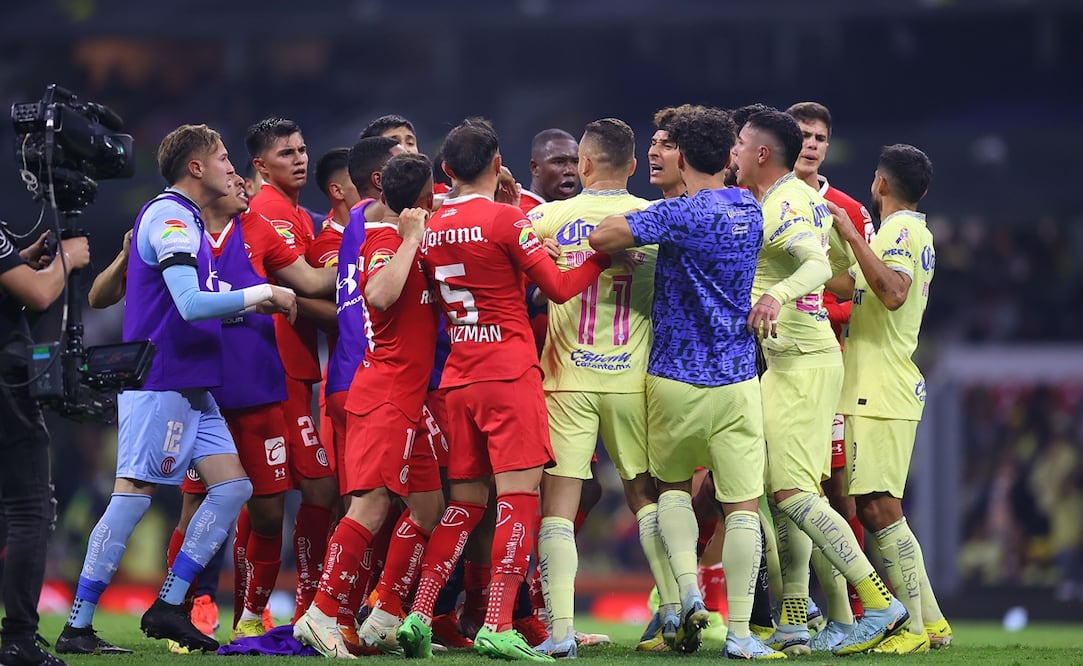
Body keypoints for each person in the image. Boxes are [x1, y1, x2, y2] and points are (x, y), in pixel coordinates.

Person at [56, 123, 296, 654]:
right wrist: (264, 294)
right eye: (223, 157)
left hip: (194, 385)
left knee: (233, 487)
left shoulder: (186, 219)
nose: (232, 167)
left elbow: (189, 295)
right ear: (196, 167)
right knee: (133, 497)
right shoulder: (170, 217)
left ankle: (169, 603)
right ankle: (77, 624)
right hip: (161, 382)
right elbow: (188, 305)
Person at [393, 117, 612, 662]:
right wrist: (604, 255)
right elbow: (560, 288)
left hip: (458, 380)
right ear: (497, 164)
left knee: (462, 505)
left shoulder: (431, 225)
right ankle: (496, 623)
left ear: (445, 171)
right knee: (519, 500)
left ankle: (419, 614)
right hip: (509, 375)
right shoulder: (508, 220)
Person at [589, 105, 779, 660]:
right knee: (742, 506)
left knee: (670, 489)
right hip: (738, 376)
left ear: (683, 156)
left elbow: (605, 236)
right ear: (726, 158)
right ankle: (741, 634)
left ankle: (687, 596)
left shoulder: (681, 214)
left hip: (673, 376)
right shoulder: (749, 208)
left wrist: (635, 236)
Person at [732, 109, 908, 656]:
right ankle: (792, 616)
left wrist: (778, 296)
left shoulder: (785, 201)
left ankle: (878, 603)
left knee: (792, 491)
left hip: (804, 363)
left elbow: (812, 264)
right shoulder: (806, 199)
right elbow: (843, 268)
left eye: (739, 144)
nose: (733, 153)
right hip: (792, 360)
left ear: (761, 153)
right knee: (765, 486)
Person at [294, 153, 446, 657]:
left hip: (410, 397)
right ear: (420, 201)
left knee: (428, 506)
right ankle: (321, 613)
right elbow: (379, 297)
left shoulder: (409, 233)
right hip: (383, 395)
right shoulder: (385, 241)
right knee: (372, 503)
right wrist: (409, 238)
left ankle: (383, 616)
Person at [526, 118, 661, 657]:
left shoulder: (545, 218)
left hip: (566, 379)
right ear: (632, 166)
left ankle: (559, 632)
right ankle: (676, 610)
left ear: (582, 165)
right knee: (647, 497)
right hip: (633, 379)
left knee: (558, 504)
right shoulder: (656, 218)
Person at [826, 143, 951, 654]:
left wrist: (852, 232)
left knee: (879, 508)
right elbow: (848, 286)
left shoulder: (899, 231)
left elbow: (893, 291)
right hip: (881, 383)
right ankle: (933, 622)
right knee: (882, 507)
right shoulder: (911, 234)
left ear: (880, 183)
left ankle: (912, 631)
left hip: (879, 386)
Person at [242, 118, 339, 621]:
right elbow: (301, 284)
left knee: (269, 493)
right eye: (286, 154)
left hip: (295, 370)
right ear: (260, 165)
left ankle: (273, 608)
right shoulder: (271, 212)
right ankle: (256, 610)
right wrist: (367, 253)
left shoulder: (297, 212)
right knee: (276, 494)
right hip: (275, 368)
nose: (300, 159)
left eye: (302, 150)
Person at [785, 100, 875, 641]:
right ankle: (793, 612)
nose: (812, 144)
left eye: (819, 136)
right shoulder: (761, 198)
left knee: (836, 492)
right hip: (765, 362)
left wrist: (809, 301)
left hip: (824, 365)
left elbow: (859, 293)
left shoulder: (846, 209)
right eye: (803, 134)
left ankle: (859, 612)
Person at [0, 222, 89, 666]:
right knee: (29, 508)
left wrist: (28, 262)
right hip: (5, 383)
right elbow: (37, 296)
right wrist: (65, 259)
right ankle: (17, 639)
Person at [519, 129, 580, 213]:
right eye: (559, 162)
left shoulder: (582, 213)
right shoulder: (521, 214)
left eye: (576, 162)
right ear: (535, 168)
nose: (570, 171)